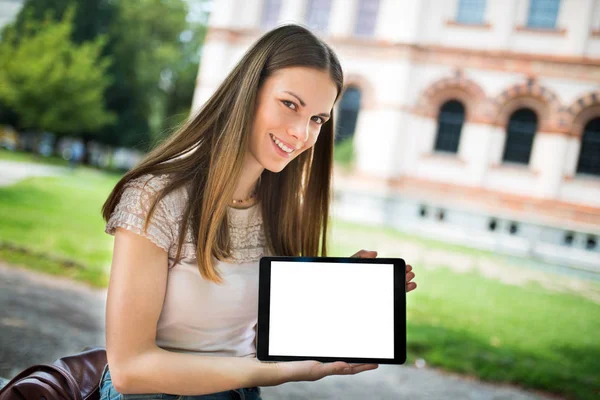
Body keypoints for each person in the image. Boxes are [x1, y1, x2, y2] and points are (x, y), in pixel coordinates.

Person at [100, 24, 418, 400]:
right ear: (247, 94)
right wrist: (274, 373)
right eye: (290, 104)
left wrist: (336, 300)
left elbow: (256, 335)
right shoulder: (155, 199)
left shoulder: (283, 211)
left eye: (317, 119)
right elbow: (130, 370)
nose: (301, 132)